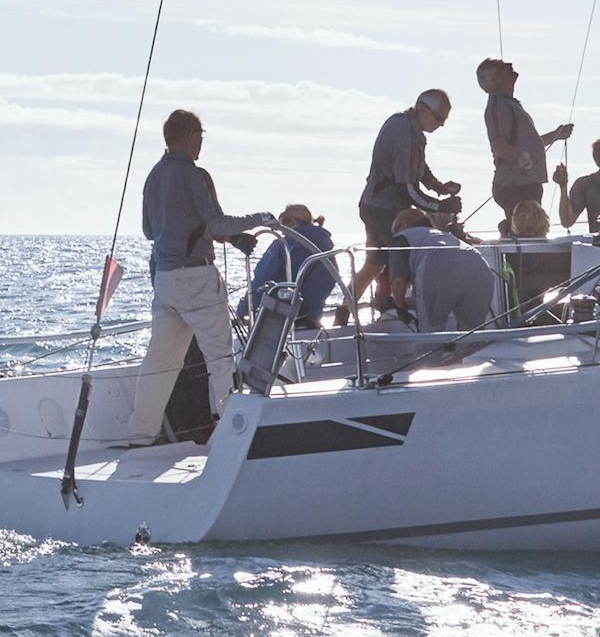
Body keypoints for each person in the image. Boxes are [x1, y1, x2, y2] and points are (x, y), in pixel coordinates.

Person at [129, 108, 274, 442]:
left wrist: (213, 234)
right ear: (190, 135)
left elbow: (150, 231)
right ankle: (234, 436)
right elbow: (217, 223)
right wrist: (260, 218)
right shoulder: (195, 175)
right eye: (201, 137)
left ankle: (139, 436)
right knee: (220, 358)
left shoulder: (153, 176)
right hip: (196, 279)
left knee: (160, 364)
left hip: (164, 280)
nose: (201, 144)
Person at [344, 90, 460, 323]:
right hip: (386, 210)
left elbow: (419, 166)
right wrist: (441, 206)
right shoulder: (406, 135)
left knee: (374, 265)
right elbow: (407, 189)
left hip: (371, 204)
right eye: (438, 118)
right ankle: (407, 313)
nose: (441, 125)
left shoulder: (406, 126)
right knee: (409, 261)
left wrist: (438, 187)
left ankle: (343, 313)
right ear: (422, 108)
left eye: (444, 120)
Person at [477, 58, 567, 239]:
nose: (510, 66)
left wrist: (555, 135)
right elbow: (499, 146)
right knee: (527, 232)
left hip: (526, 184)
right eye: (504, 67)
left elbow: (527, 146)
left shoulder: (509, 104)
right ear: (493, 80)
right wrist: (518, 157)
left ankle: (509, 237)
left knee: (531, 230)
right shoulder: (497, 106)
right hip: (515, 186)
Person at [394, 209, 497, 333]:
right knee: (472, 333)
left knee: (431, 335)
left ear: (402, 225)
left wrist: (400, 308)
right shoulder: (442, 235)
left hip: (436, 263)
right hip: (478, 263)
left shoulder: (401, 238)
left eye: (394, 230)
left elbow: (398, 282)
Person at [247, 203, 341, 332]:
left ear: (289, 222)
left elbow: (262, 278)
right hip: (313, 321)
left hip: (285, 321)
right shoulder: (326, 248)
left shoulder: (283, 246)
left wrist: (243, 310)